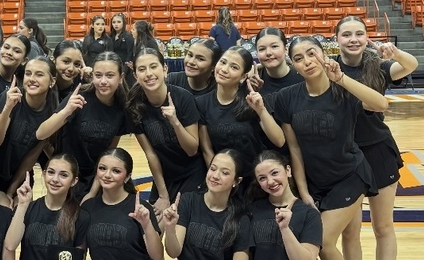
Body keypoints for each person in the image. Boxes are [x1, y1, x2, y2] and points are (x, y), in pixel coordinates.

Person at [270, 35, 389, 260]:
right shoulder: (288, 98)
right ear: (293, 66)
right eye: (298, 58)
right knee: (345, 236)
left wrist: (343, 80)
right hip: (315, 180)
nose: (307, 61)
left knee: (322, 241)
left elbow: (380, 103)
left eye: (312, 54)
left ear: (324, 56)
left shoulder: (343, 88)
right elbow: (294, 148)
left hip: (351, 175)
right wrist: (304, 190)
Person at [334, 16, 418, 260]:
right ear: (337, 39)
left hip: (378, 151)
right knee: (349, 230)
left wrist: (394, 53)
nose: (353, 39)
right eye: (347, 34)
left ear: (367, 37)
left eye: (359, 33)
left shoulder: (377, 66)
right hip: (345, 155)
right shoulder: (330, 68)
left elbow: (410, 66)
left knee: (383, 226)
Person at [36, 51, 129, 200]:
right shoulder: (79, 97)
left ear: (121, 78)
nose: (103, 81)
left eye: (110, 75)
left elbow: (107, 155)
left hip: (96, 179)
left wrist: (92, 193)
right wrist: (67, 111)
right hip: (66, 175)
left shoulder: (122, 109)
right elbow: (41, 133)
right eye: (98, 75)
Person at [129, 48, 204, 218]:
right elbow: (150, 153)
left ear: (164, 69)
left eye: (153, 66)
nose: (148, 74)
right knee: (153, 227)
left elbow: (192, 149)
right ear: (135, 75)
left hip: (192, 173)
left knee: (180, 222)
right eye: (142, 69)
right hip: (164, 176)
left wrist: (175, 122)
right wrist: (163, 195)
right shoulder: (134, 107)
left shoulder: (183, 98)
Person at [197, 47, 285, 170]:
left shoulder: (252, 99)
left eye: (234, 67)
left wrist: (261, 110)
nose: (224, 69)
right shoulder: (201, 103)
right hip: (224, 176)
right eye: (223, 62)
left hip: (255, 175)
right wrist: (217, 175)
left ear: (243, 76)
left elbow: (279, 141)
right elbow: (207, 150)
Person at [0, 56, 57, 202]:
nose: (32, 79)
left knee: (21, 213)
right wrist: (8, 107)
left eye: (39, 74)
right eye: (28, 73)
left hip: (19, 176)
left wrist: (11, 192)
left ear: (52, 81)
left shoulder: (51, 112)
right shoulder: (10, 97)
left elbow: (31, 157)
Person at [252, 27, 303, 97]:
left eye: (274, 46)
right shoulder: (253, 80)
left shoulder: (303, 75)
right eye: (262, 49)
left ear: (286, 49)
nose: (268, 53)